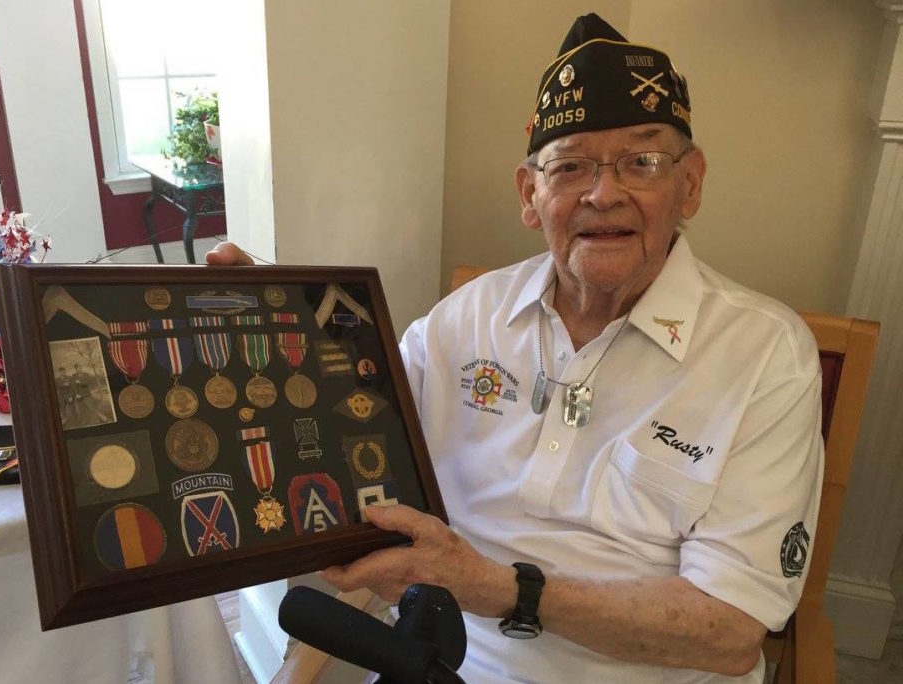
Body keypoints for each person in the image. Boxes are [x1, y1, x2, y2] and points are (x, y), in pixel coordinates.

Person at [208, 13, 822, 683]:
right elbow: (353, 420)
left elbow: (728, 633)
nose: (603, 192)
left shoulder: (766, 354)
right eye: (571, 167)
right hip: (444, 663)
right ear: (532, 195)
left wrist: (498, 588)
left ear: (690, 184)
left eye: (641, 162)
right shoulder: (464, 320)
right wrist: (274, 341)